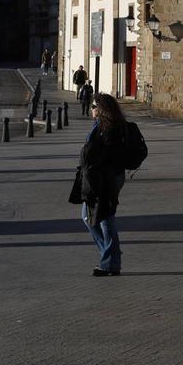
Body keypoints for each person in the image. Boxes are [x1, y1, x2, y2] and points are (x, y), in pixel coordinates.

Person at [69, 93, 127, 276]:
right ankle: (110, 256)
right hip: (100, 177)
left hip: (105, 178)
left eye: (94, 106)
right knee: (91, 217)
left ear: (102, 109)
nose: (91, 109)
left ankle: (110, 262)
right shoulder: (101, 126)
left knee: (103, 219)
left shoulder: (110, 129)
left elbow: (109, 155)